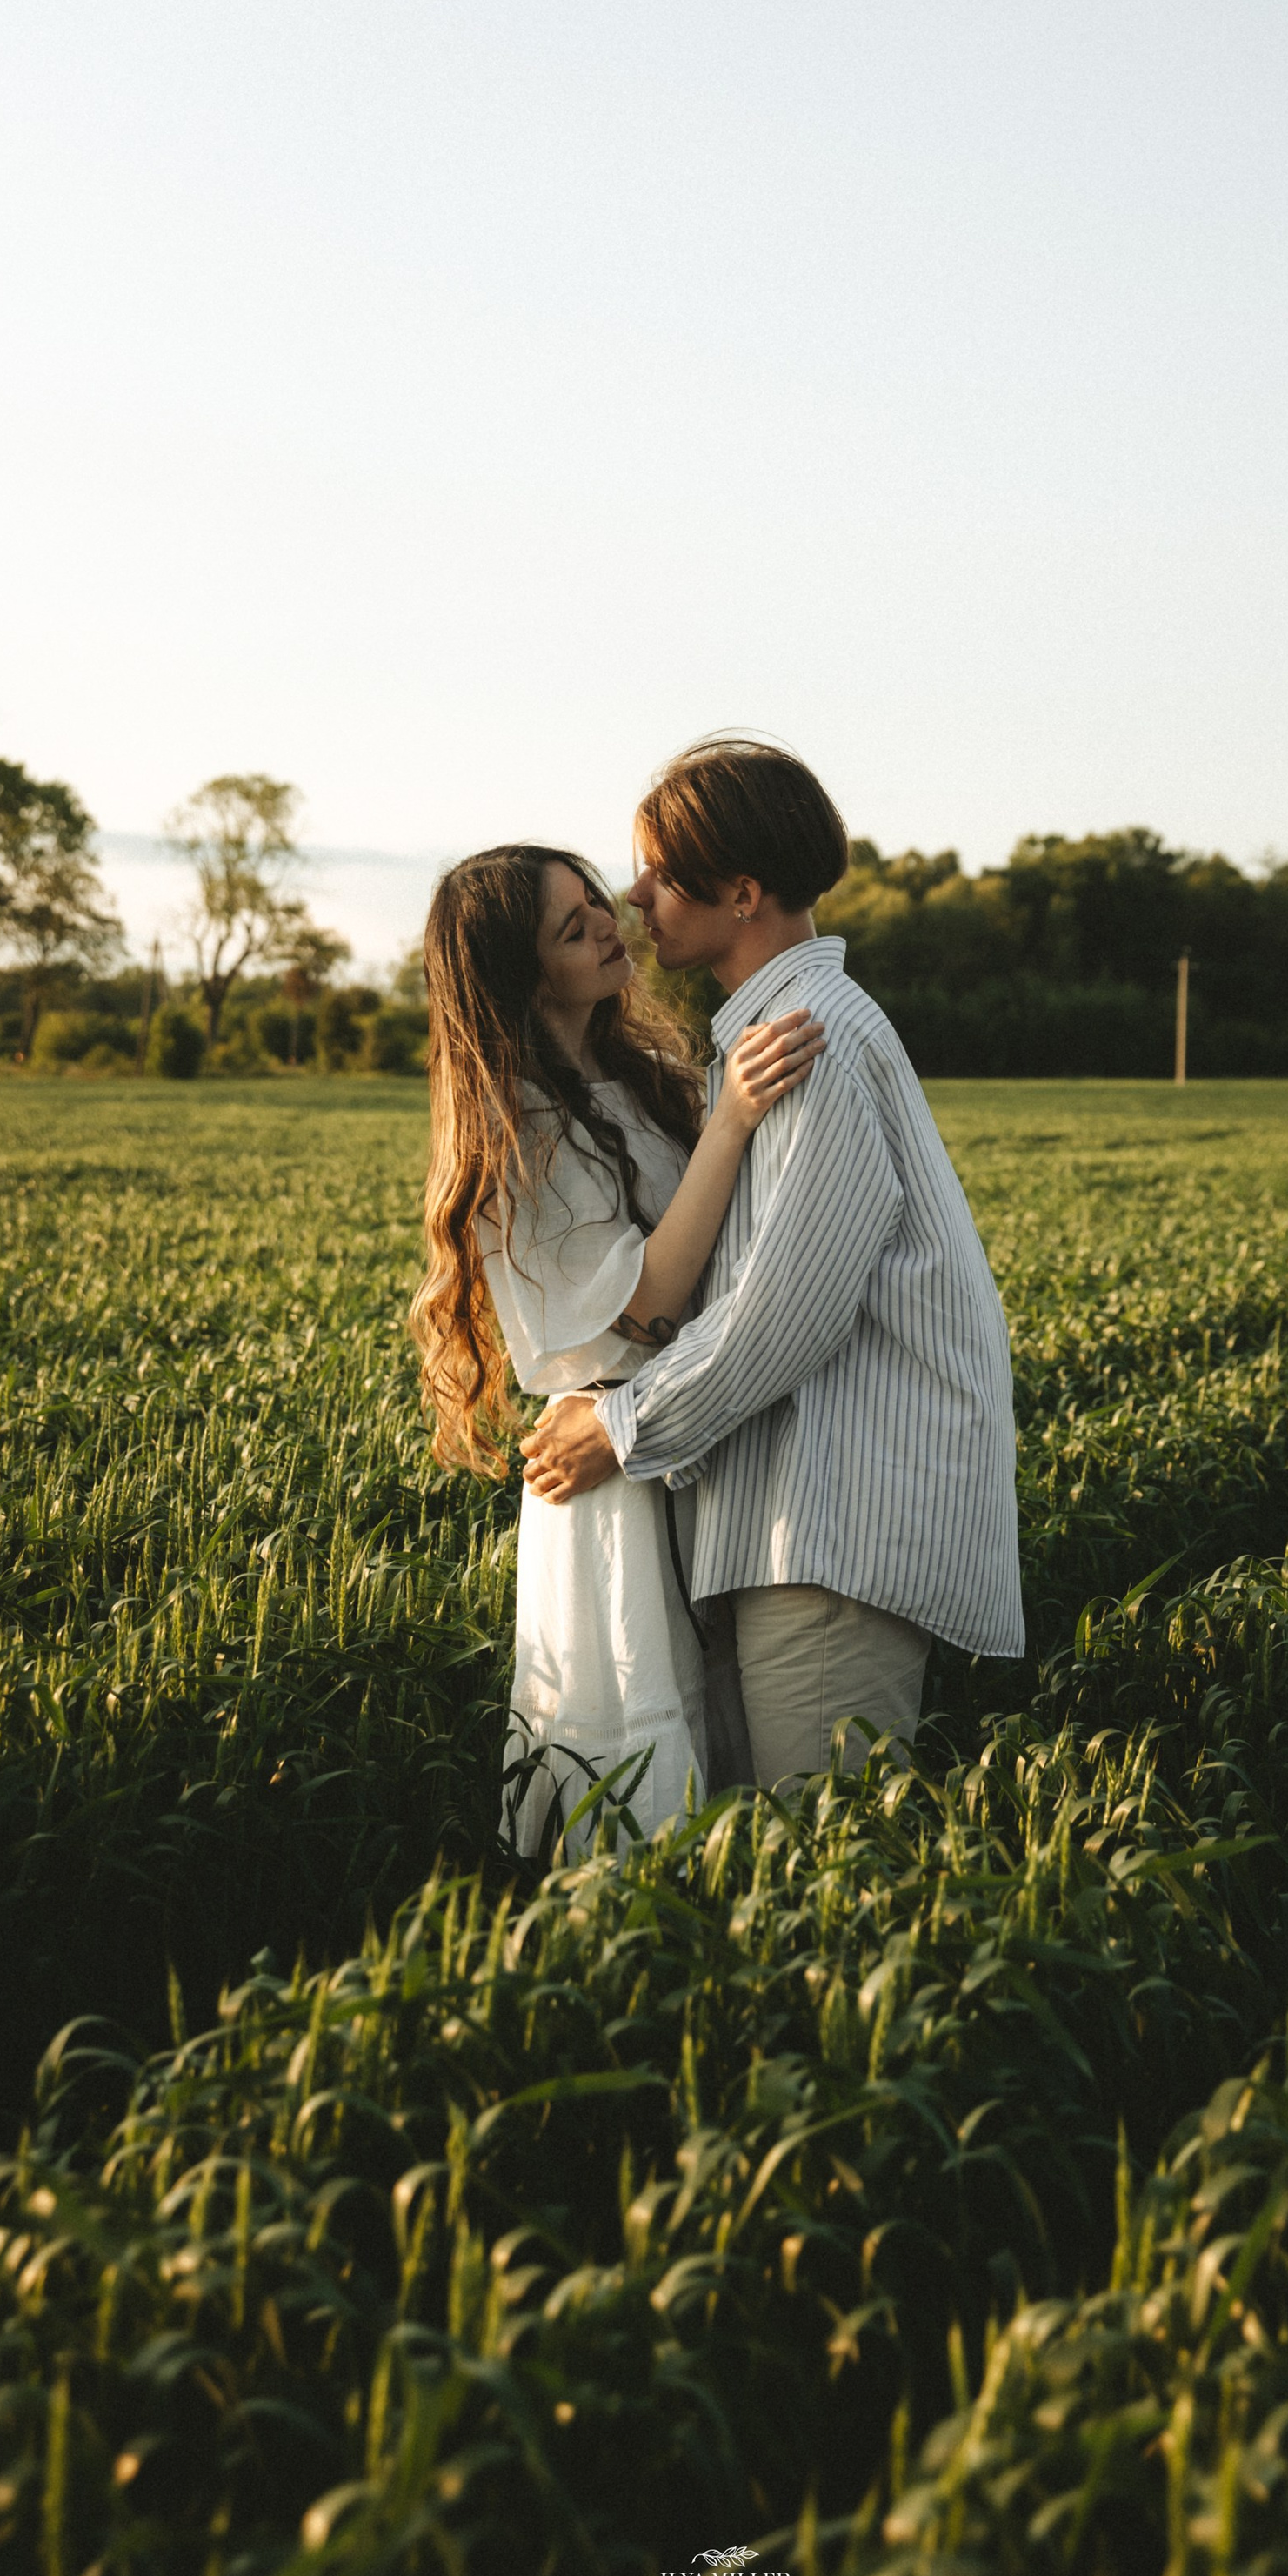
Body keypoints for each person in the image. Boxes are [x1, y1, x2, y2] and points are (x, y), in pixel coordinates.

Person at [521, 739, 1023, 1793]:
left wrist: (618, 1426)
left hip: (835, 1521)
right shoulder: (764, 1036)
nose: (639, 896)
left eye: (660, 872)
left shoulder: (808, 1040)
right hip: (797, 1514)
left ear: (740, 892)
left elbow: (785, 1313)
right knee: (775, 1860)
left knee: (823, 1861)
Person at [410, 843, 821, 1857]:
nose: (607, 920)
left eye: (595, 897)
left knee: (733, 1738)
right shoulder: (519, 1126)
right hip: (611, 1472)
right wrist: (728, 1124)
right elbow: (642, 1301)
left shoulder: (644, 1072)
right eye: (571, 923)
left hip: (684, 1427)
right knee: (644, 1758)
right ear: (521, 972)